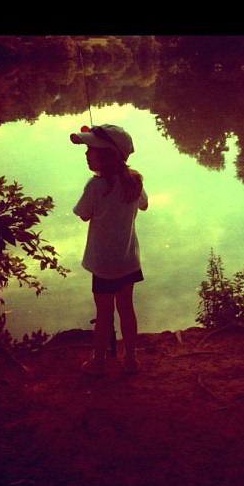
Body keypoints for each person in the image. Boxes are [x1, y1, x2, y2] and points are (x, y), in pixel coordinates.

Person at [70, 124, 148, 376]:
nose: (86, 153)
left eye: (91, 149)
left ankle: (99, 361)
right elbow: (144, 205)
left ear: (106, 155)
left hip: (103, 264)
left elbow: (83, 215)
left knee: (104, 314)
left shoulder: (95, 187)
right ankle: (131, 359)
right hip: (128, 260)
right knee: (127, 308)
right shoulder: (134, 181)